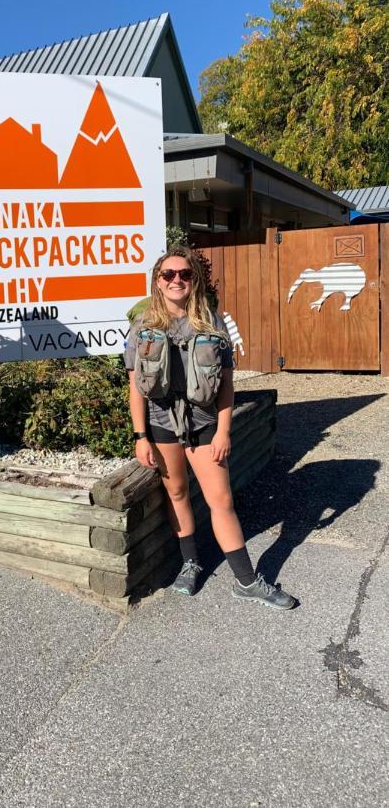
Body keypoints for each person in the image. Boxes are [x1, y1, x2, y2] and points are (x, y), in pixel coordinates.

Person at [125, 245, 295, 609]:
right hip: (160, 424)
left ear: (194, 280)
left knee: (221, 501)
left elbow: (228, 384)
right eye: (168, 275)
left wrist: (223, 430)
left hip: (204, 424)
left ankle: (246, 581)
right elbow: (135, 386)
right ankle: (191, 562)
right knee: (177, 494)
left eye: (184, 274)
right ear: (158, 281)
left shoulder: (212, 323)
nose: (176, 280)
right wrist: (140, 436)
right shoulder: (143, 327)